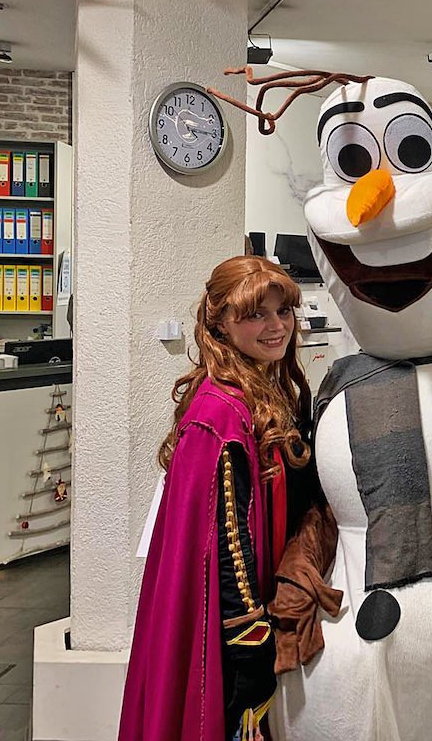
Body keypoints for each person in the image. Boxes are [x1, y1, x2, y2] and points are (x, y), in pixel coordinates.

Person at [119, 255, 335, 741]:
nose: (277, 326)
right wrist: (250, 648)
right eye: (256, 314)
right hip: (229, 634)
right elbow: (229, 546)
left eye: (283, 311)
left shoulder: (261, 393)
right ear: (220, 324)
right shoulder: (221, 415)